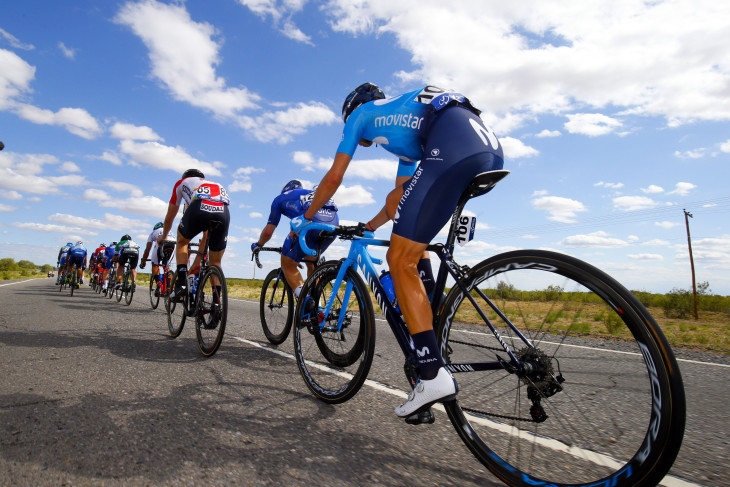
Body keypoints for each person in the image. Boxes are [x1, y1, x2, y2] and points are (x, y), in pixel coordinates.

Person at [292, 83, 504, 419]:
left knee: (398, 259)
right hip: (482, 146)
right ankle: (430, 334)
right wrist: (371, 225)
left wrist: (306, 218)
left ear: (351, 108)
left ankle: (432, 373)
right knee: (410, 242)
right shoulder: (406, 138)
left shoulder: (361, 115)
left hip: (452, 144)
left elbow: (334, 177)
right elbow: (402, 197)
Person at [252, 180, 338, 300]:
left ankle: (306, 302)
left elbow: (268, 231)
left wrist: (258, 244)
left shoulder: (280, 198)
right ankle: (316, 308)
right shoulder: (308, 193)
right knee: (311, 264)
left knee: (288, 265)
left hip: (310, 224)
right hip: (333, 225)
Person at [158, 169, 230, 299]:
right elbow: (206, 236)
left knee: (182, 241)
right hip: (223, 212)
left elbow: (169, 218)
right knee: (216, 262)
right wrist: (198, 260)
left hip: (199, 207)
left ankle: (181, 284)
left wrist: (163, 238)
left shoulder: (181, 182)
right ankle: (217, 304)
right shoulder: (215, 183)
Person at [140, 222, 176, 295]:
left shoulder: (153, 232)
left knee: (155, 265)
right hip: (173, 245)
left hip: (162, 243)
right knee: (166, 266)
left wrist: (143, 262)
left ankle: (158, 284)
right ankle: (169, 287)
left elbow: (148, 249)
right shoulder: (171, 232)